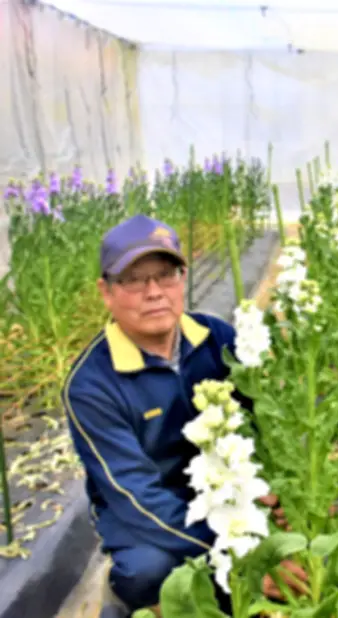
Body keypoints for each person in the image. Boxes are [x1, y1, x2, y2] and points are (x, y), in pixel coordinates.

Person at [62, 214, 305, 618]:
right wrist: (240, 554)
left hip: (227, 490)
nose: (154, 292)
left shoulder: (216, 338)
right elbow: (135, 494)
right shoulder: (92, 385)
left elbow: (264, 425)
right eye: (134, 280)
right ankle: (148, 600)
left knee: (299, 531)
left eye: (166, 275)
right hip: (149, 513)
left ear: (183, 278)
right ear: (106, 292)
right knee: (150, 571)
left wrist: (275, 492)